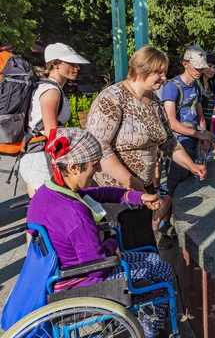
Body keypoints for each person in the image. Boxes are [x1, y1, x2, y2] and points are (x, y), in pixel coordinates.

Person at [26, 127, 172, 338]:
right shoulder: (75, 214)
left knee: (151, 258)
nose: (97, 172)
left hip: (64, 271)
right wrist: (113, 246)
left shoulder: (48, 192)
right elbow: (96, 268)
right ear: (75, 167)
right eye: (94, 166)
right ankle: (148, 332)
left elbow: (100, 192)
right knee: (161, 271)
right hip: (83, 279)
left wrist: (137, 197)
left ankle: (143, 322)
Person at [86, 46, 207, 249]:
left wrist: (191, 165)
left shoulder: (154, 102)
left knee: (143, 248)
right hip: (116, 194)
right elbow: (99, 147)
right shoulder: (113, 98)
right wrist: (130, 181)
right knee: (123, 249)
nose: (163, 77)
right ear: (141, 70)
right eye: (158, 72)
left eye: (164, 72)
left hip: (143, 191)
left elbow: (168, 141)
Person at [19, 43, 89, 198]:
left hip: (36, 155)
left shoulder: (48, 87)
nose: (77, 67)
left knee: (41, 206)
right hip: (40, 158)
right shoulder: (50, 91)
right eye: (71, 63)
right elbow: (53, 132)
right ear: (56, 64)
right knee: (47, 204)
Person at [161, 46, 215, 236]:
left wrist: (204, 132)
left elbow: (199, 113)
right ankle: (157, 229)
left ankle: (175, 228)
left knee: (185, 188)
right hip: (178, 145)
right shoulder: (172, 86)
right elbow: (171, 122)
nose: (200, 71)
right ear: (185, 64)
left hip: (193, 144)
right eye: (196, 67)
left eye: (202, 67)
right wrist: (198, 134)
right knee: (172, 192)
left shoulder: (196, 85)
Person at [200, 50, 215, 131]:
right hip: (197, 129)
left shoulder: (212, 84)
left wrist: (210, 132)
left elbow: (210, 114)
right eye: (209, 66)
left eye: (214, 67)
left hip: (207, 128)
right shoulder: (197, 84)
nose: (212, 70)